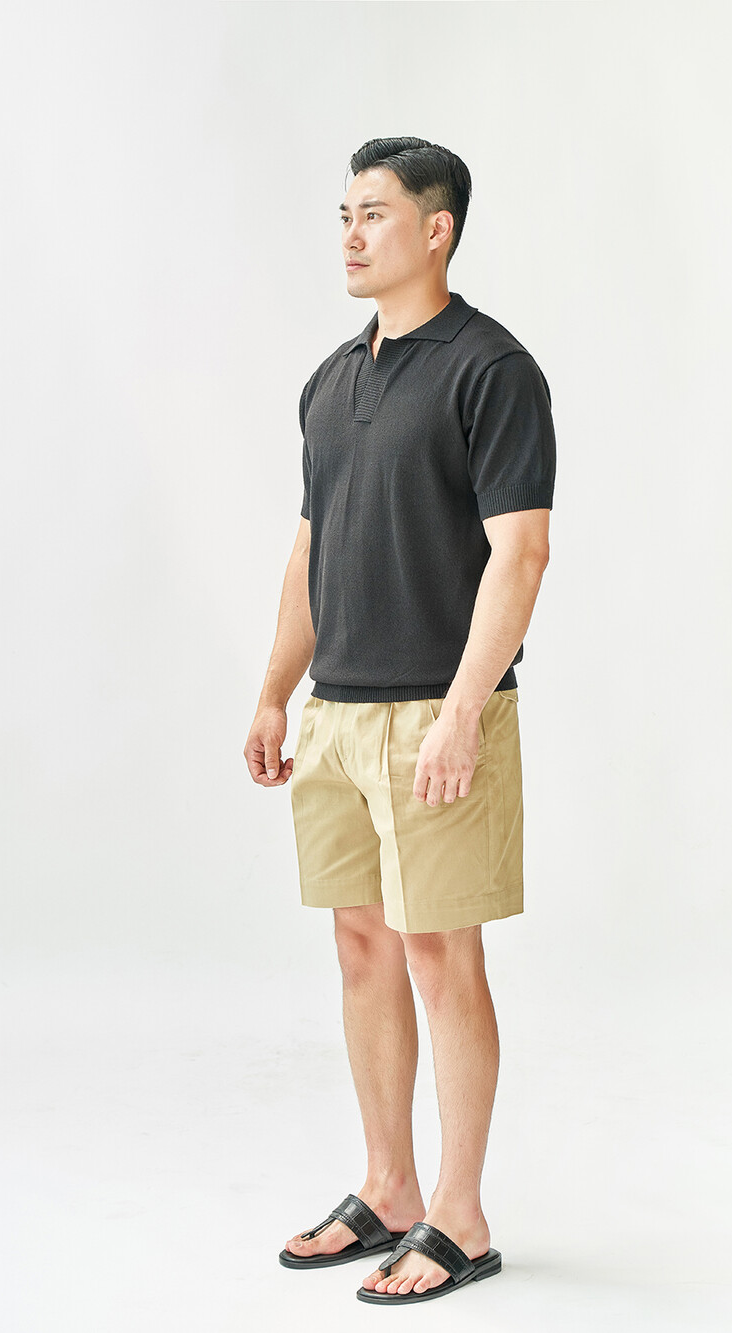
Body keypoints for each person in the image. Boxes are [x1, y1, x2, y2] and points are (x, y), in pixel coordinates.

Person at [243, 136, 556, 1306]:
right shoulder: (332, 381)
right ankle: (388, 1186)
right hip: (338, 710)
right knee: (361, 944)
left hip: (439, 712)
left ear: (437, 229)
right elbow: (310, 551)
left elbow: (520, 554)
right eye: (342, 214)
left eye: (372, 213)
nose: (350, 233)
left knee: (439, 952)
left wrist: (465, 711)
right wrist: (275, 689)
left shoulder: (492, 370)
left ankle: (459, 1214)